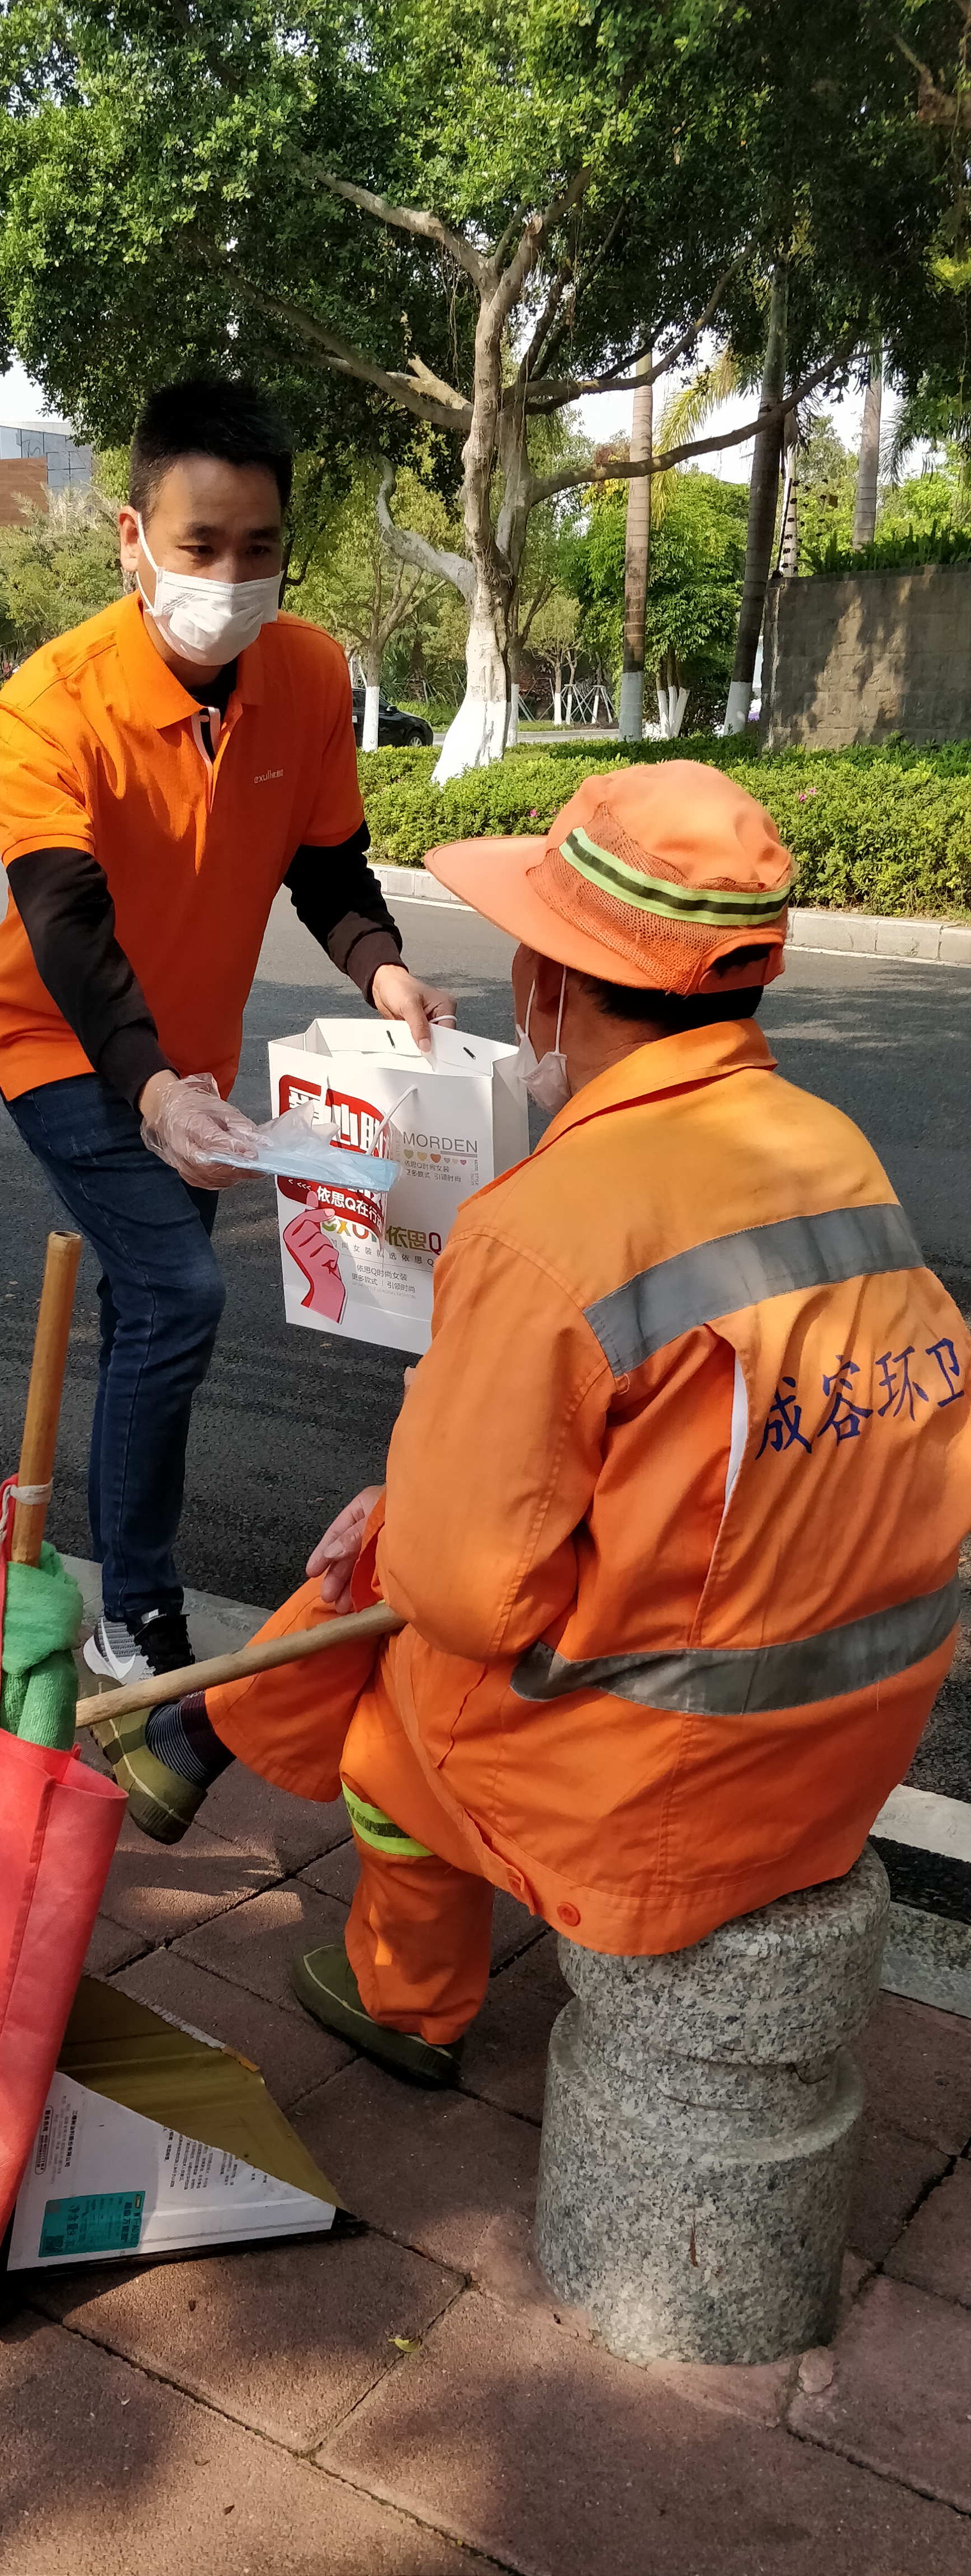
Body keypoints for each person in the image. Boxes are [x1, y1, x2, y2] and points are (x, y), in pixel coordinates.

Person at [93, 760, 971, 2084]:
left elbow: (463, 1599)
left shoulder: (547, 1230)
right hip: (858, 1728)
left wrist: (414, 1500)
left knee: (396, 1705)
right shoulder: (832, 1149)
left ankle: (403, 1997)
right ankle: (190, 1736)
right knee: (414, 1531)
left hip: (686, 1774)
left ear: (546, 984)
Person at [0, 378, 454, 1684]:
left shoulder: (304, 675)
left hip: (197, 1066)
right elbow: (67, 931)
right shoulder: (47, 706)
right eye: (199, 546)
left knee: (144, 1314)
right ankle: (143, 1610)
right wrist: (151, 1093)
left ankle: (126, 1583)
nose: (231, 577)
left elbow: (332, 870)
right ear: (133, 537)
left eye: (260, 548)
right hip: (69, 1051)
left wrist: (386, 973)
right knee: (180, 1296)